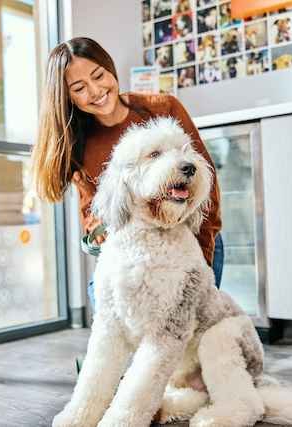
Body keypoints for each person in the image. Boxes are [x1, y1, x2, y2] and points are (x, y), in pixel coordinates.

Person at [31, 37, 224, 311]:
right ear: (67, 97)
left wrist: (200, 259)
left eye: (99, 75)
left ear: (110, 68)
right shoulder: (78, 143)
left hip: (191, 241)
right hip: (134, 253)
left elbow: (205, 185)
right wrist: (98, 230)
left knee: (183, 327)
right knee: (109, 308)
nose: (96, 91)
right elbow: (92, 211)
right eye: (79, 88)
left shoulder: (162, 109)